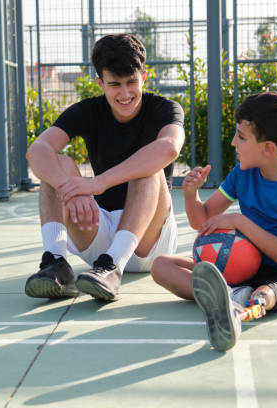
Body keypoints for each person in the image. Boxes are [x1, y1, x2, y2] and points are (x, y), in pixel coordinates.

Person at [150, 91, 277, 351]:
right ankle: (229, 296)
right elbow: (203, 220)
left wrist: (240, 222)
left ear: (268, 148)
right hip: (242, 267)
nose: (233, 143)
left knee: (267, 293)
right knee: (161, 265)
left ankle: (237, 312)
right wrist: (190, 193)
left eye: (241, 137)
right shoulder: (242, 173)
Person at [24, 33, 185, 301]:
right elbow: (37, 151)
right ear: (100, 82)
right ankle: (56, 263)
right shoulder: (87, 110)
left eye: (132, 82)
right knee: (59, 164)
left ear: (144, 76)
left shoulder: (165, 109)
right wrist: (71, 190)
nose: (125, 93)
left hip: (150, 241)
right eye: (114, 84)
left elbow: (169, 147)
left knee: (149, 167)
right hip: (100, 233)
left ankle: (113, 267)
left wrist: (98, 183)